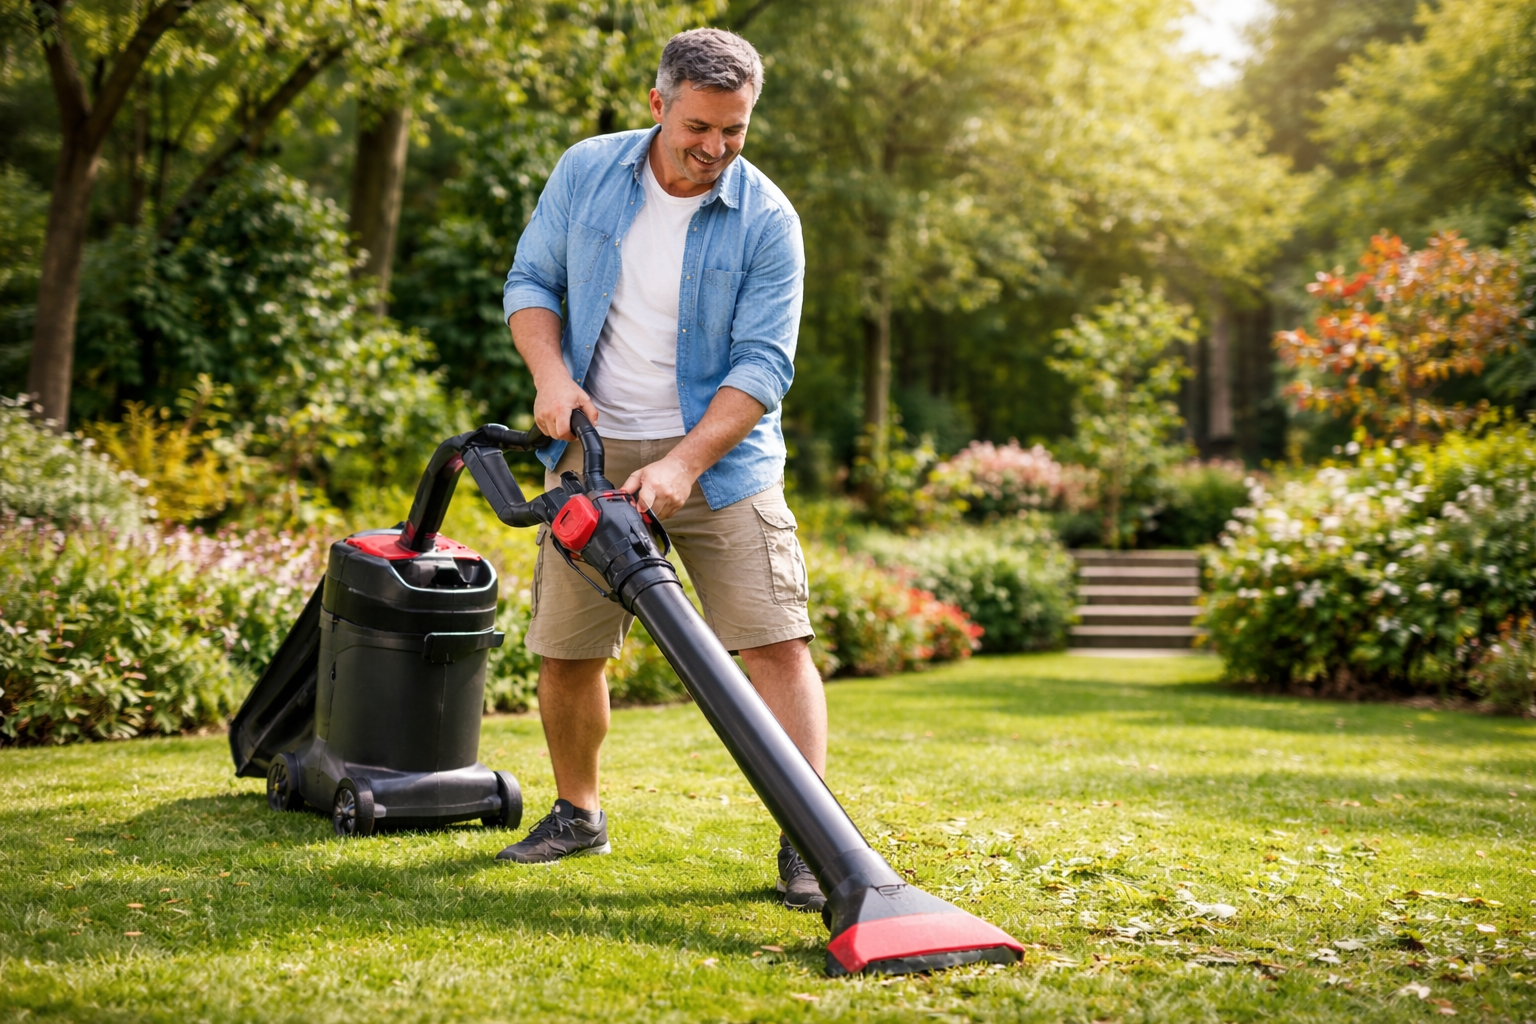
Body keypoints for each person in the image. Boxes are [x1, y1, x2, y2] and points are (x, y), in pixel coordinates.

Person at [496, 28, 825, 912]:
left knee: (776, 644)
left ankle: (810, 838)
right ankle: (578, 814)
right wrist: (551, 377)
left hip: (721, 462)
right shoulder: (588, 171)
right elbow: (531, 283)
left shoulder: (767, 220)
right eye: (698, 128)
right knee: (568, 650)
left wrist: (684, 462)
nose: (715, 148)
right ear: (658, 105)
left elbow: (764, 365)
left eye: (735, 130)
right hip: (592, 454)